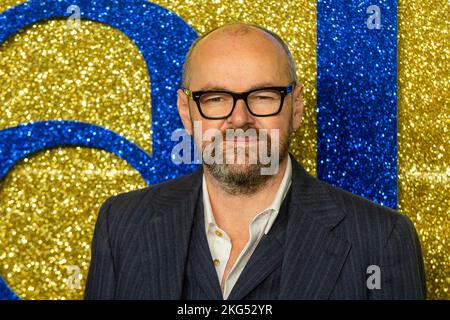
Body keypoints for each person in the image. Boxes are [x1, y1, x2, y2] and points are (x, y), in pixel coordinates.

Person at [85, 22, 426, 300]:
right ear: (186, 113)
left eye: (263, 97)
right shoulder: (122, 225)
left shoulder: (380, 239)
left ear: (296, 107)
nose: (239, 119)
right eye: (215, 98)